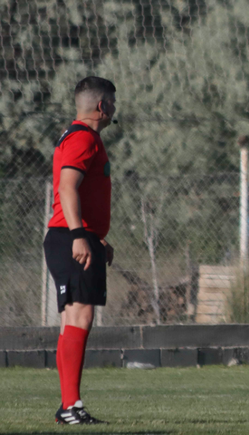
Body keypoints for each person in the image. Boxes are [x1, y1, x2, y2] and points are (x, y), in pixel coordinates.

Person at [44, 76, 116, 425]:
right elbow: (67, 186)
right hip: (68, 236)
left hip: (75, 235)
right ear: (101, 107)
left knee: (72, 321)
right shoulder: (84, 139)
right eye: (112, 104)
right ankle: (71, 406)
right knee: (81, 317)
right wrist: (78, 235)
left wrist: (95, 236)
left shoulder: (78, 136)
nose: (115, 110)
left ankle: (68, 406)